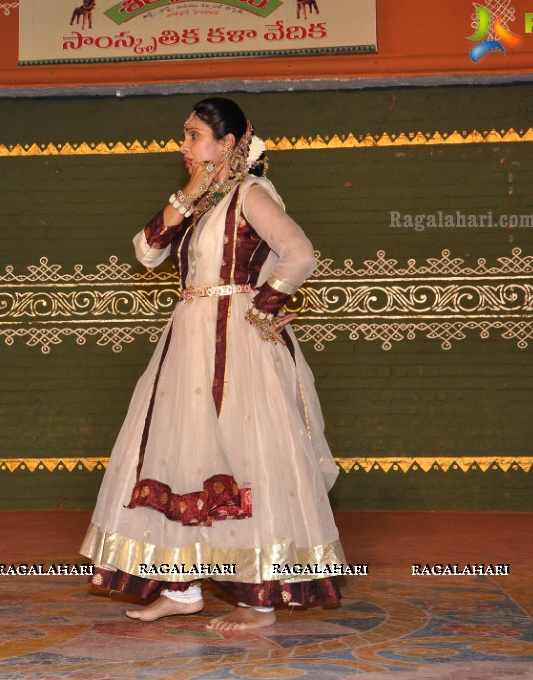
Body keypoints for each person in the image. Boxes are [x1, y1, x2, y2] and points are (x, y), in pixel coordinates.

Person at [80, 97, 345, 631]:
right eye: (185, 135)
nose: (184, 145)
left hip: (236, 344)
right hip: (190, 340)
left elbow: (300, 252)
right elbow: (146, 251)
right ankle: (181, 589)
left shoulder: (251, 193)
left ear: (227, 144)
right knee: (182, 457)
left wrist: (266, 306)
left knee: (246, 457)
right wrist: (189, 193)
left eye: (194, 135)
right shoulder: (201, 201)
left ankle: (261, 598)